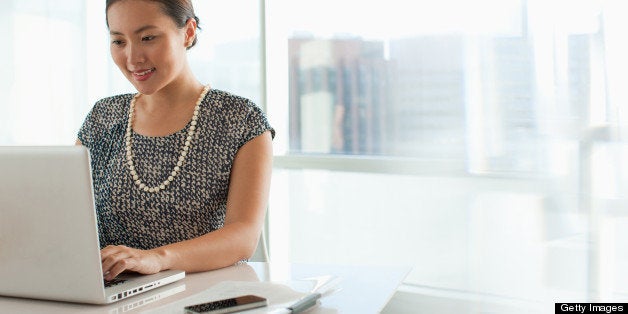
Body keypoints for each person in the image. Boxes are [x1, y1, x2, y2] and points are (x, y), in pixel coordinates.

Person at [76, 0, 274, 281]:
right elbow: (67, 214)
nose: (133, 58)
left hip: (198, 296)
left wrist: (157, 259)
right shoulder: (103, 117)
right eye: (119, 41)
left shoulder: (240, 121)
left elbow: (242, 237)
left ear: (189, 32)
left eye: (148, 38)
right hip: (108, 294)